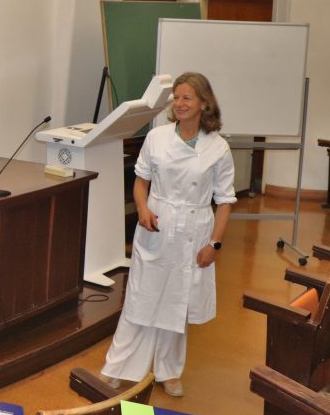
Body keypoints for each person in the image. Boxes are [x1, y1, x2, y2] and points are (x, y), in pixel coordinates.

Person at [101, 72, 236, 398]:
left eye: (187, 97)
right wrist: (142, 208)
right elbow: (141, 181)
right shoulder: (157, 138)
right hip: (157, 225)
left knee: (178, 303)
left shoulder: (218, 148)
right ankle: (117, 368)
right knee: (141, 298)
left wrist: (214, 244)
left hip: (194, 230)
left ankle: (169, 371)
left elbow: (225, 201)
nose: (179, 103)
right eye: (176, 97)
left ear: (204, 103)